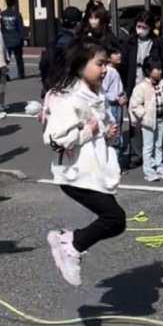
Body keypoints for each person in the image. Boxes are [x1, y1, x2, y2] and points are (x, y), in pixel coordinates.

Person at [43, 38, 125, 287]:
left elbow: (97, 129)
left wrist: (107, 134)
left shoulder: (94, 94)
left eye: (106, 64)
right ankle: (70, 246)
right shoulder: (70, 98)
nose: (105, 69)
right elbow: (54, 139)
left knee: (115, 222)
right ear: (80, 65)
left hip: (93, 170)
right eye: (100, 64)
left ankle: (66, 240)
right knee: (114, 219)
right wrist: (89, 132)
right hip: (75, 174)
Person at [117, 10, 163, 171]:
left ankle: (161, 155)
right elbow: (123, 66)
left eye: (144, 27)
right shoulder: (129, 42)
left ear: (150, 27)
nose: (140, 29)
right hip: (134, 87)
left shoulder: (158, 42)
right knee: (135, 122)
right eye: (138, 26)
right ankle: (136, 156)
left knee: (157, 121)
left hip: (154, 87)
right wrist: (123, 88)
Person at [129, 56, 163, 182]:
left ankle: (160, 167)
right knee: (148, 147)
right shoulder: (142, 87)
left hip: (160, 119)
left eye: (160, 68)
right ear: (148, 71)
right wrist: (143, 115)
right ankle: (149, 170)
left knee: (159, 145)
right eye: (156, 69)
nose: (160, 71)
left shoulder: (162, 85)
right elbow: (134, 104)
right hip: (148, 121)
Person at [40, 6, 82, 97]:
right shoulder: (74, 44)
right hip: (69, 88)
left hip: (52, 87)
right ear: (78, 24)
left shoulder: (54, 43)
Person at [102, 44, 126, 156]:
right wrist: (115, 97)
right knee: (114, 128)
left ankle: (118, 149)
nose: (119, 55)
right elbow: (103, 91)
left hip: (117, 104)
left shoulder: (114, 70)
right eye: (115, 54)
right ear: (108, 57)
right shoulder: (108, 71)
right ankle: (115, 154)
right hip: (112, 105)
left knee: (118, 127)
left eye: (119, 53)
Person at [1, 0, 25, 79]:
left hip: (6, 39)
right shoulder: (17, 14)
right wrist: (22, 39)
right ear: (14, 3)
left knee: (6, 59)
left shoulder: (2, 15)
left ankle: (6, 74)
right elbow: (20, 28)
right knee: (19, 58)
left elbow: (1, 28)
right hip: (16, 39)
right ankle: (21, 74)